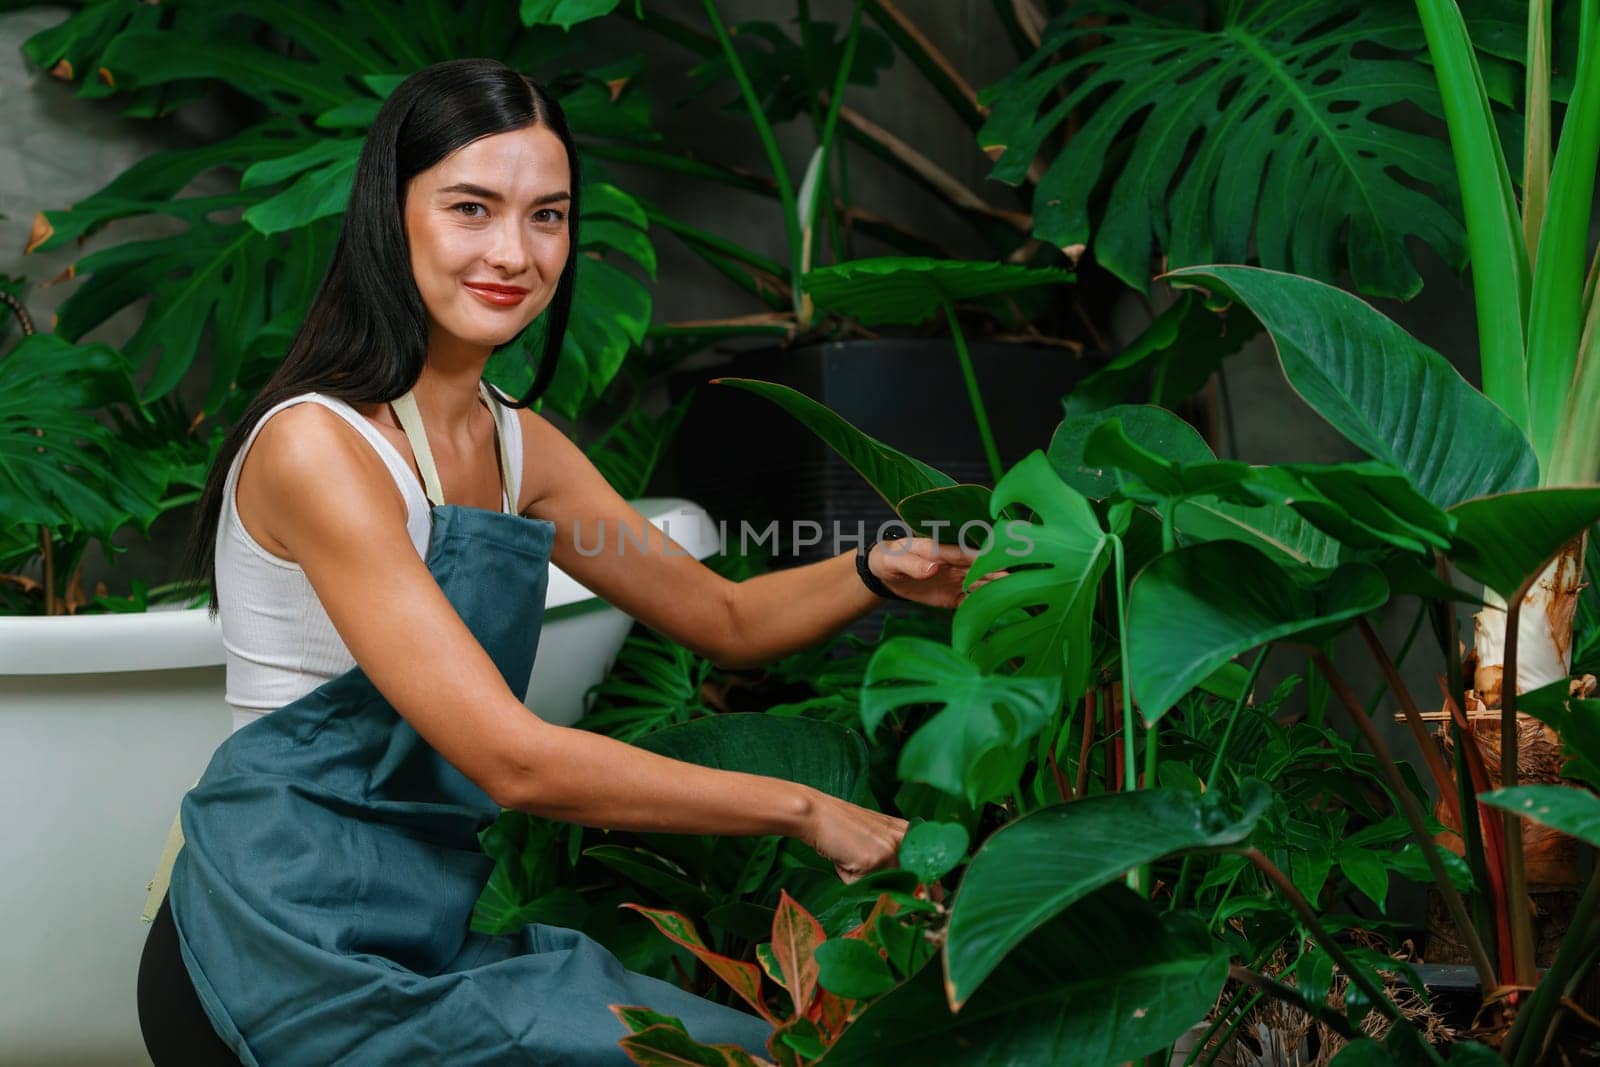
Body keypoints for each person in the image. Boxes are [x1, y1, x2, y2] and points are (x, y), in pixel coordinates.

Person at [135, 57, 995, 1066]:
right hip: (277, 949)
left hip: (426, 934)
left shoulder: (519, 449)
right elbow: (512, 757)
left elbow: (725, 621)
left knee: (744, 1049)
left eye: (547, 215)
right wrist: (805, 808)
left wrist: (872, 570)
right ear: (390, 214)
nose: (513, 250)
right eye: (470, 207)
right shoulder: (318, 449)